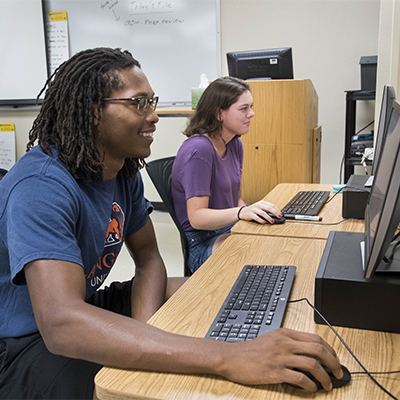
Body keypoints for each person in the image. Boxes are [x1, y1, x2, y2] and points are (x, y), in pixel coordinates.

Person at [0, 48, 343, 400]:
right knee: (137, 385)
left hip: (84, 304)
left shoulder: (121, 169)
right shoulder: (40, 187)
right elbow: (60, 322)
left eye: (153, 101)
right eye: (139, 103)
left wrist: (146, 333)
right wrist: (227, 357)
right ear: (92, 112)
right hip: (23, 341)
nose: (154, 116)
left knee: (216, 291)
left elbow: (149, 259)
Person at [172, 77, 282, 273]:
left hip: (229, 227)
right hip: (204, 243)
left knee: (279, 239)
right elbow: (196, 217)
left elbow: (237, 199)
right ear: (219, 113)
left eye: (251, 107)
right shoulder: (199, 150)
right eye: (244, 109)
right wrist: (242, 213)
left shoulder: (234, 143)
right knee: (263, 254)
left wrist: (250, 214)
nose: (252, 114)